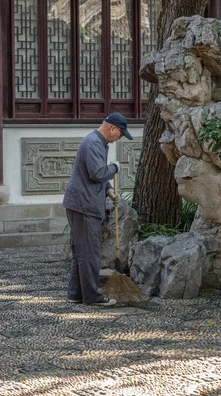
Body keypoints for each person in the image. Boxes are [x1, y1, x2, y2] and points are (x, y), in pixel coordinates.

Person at [63, 113, 133, 306]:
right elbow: (97, 173)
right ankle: (93, 297)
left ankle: (75, 293)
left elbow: (95, 173)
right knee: (89, 253)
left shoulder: (98, 142)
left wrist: (109, 189)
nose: (119, 138)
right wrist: (115, 168)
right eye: (120, 134)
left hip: (81, 203)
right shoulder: (94, 142)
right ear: (112, 128)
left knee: (81, 252)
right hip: (84, 205)